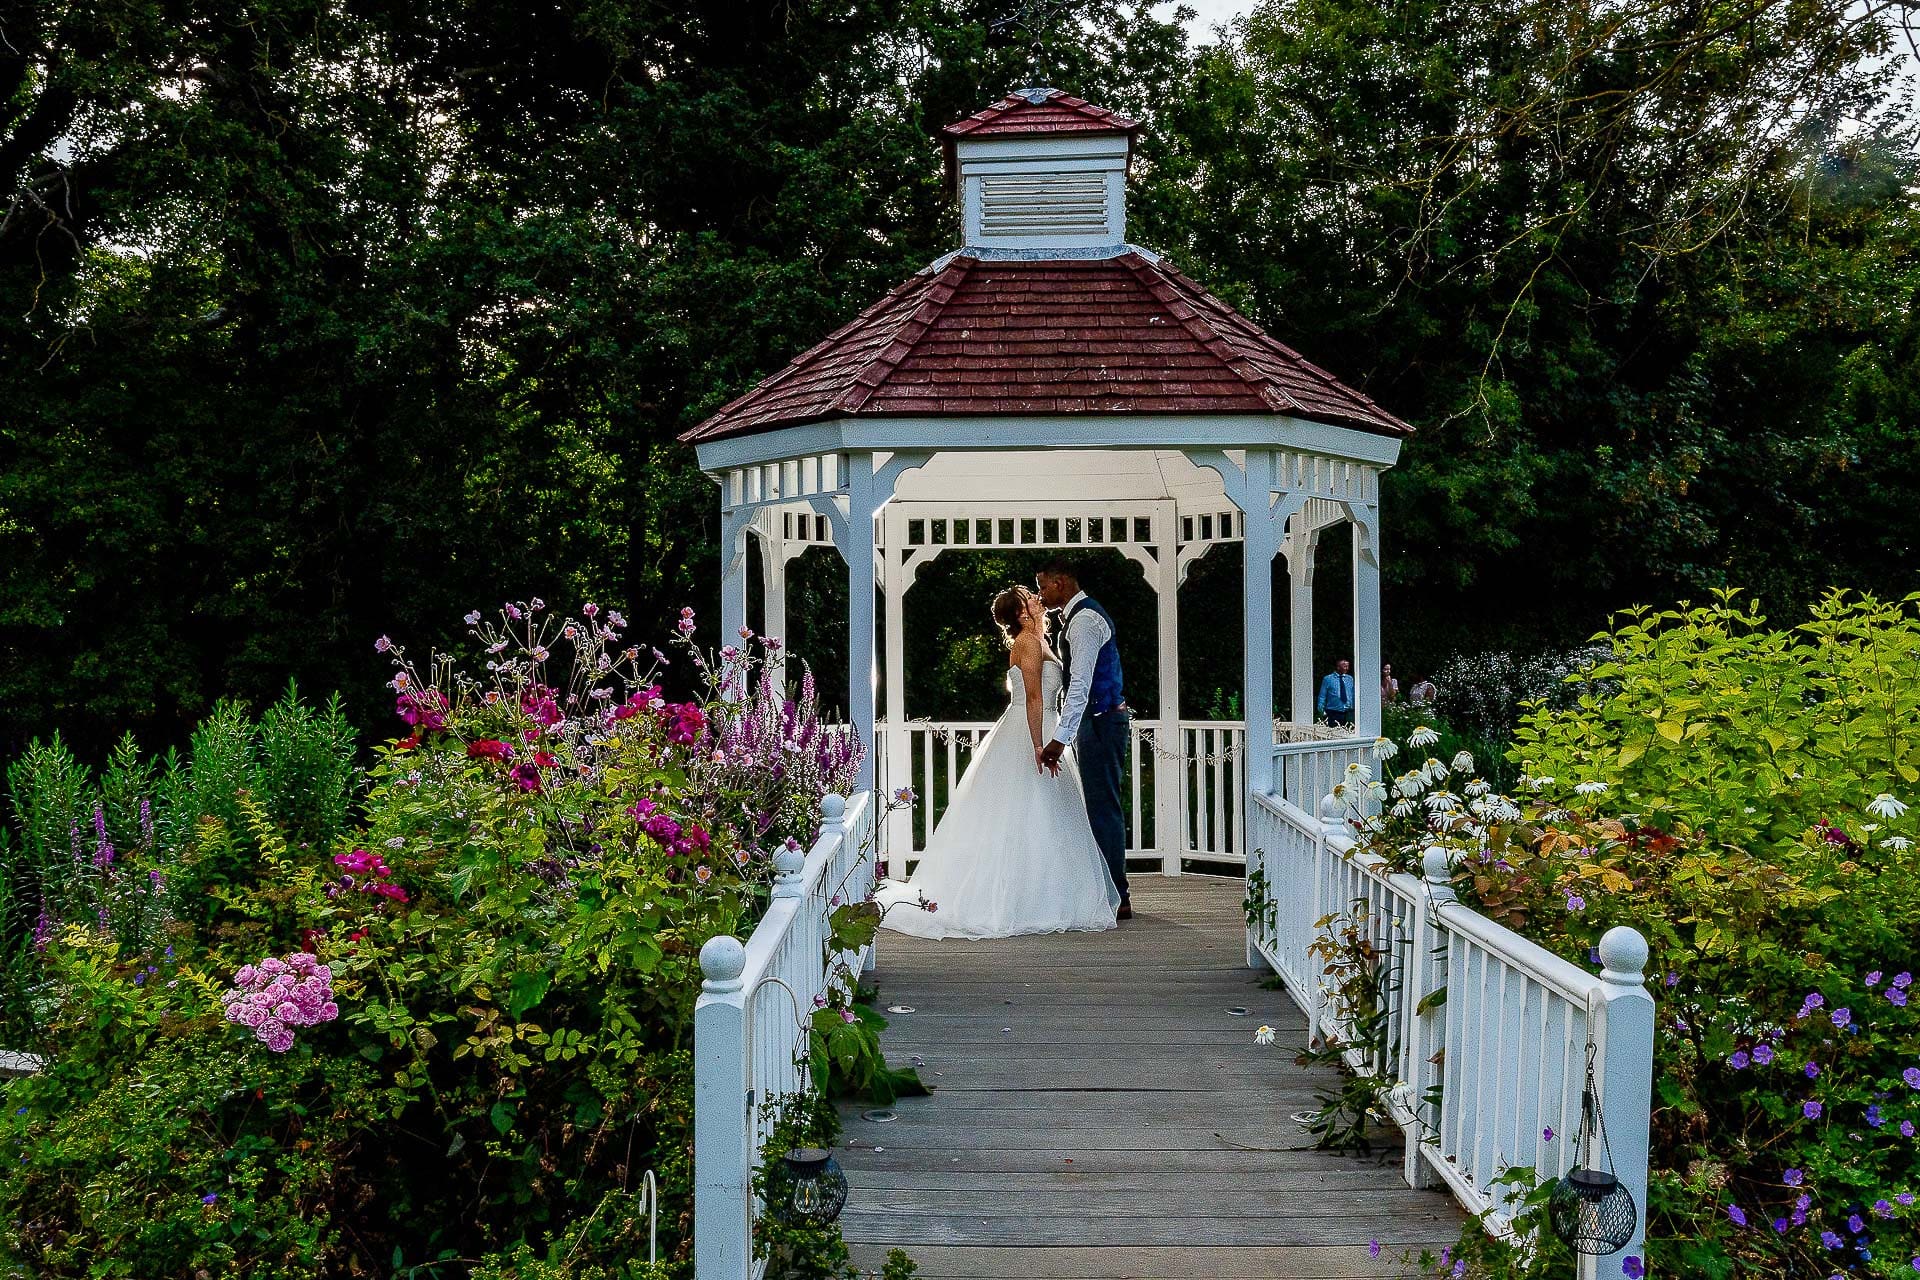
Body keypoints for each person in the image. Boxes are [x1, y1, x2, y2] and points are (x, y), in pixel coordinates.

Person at [875, 586, 1121, 939]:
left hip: (1045, 726)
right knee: (1024, 810)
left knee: (1048, 813)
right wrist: (1039, 746)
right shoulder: (1028, 642)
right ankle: (1017, 899)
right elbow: (1034, 697)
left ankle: (1045, 892)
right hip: (1029, 729)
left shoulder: (1040, 640)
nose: (1036, 598)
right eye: (1028, 597)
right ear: (1022, 612)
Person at [1035, 558, 1133, 921]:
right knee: (1097, 806)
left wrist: (1060, 738)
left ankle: (1117, 895)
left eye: (1043, 586)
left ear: (1061, 583)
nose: (1041, 594)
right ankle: (1106, 889)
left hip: (1102, 720)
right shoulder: (1076, 619)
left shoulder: (1085, 621)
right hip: (1095, 722)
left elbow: (1081, 685)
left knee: (1103, 807)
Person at [1317, 658, 1355, 727]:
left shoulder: (1350, 679)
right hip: (1333, 712)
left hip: (1348, 712)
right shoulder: (1328, 679)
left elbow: (1353, 694)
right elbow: (1322, 696)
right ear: (1338, 667)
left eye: (1348, 666)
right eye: (1344, 666)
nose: (1347, 668)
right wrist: (1321, 710)